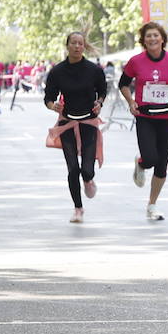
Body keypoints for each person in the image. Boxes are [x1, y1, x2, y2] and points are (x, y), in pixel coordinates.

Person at [119, 21, 168, 221]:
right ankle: (141, 163)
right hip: (145, 117)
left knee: (162, 165)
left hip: (167, 117)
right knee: (150, 158)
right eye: (148, 36)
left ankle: (152, 205)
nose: (152, 39)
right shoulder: (135, 61)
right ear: (144, 40)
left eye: (156, 35)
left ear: (162, 39)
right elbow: (123, 84)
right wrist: (131, 101)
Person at [44, 31, 107, 223]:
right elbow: (48, 97)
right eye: (74, 43)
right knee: (73, 169)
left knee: (87, 169)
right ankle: (78, 208)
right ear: (67, 45)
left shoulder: (93, 70)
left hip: (88, 122)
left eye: (81, 43)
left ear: (84, 46)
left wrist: (100, 102)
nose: (77, 46)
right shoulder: (57, 71)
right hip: (67, 123)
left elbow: (103, 90)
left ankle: (88, 180)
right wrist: (53, 106)